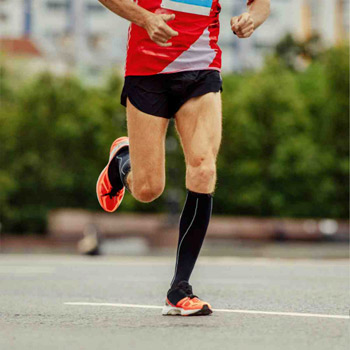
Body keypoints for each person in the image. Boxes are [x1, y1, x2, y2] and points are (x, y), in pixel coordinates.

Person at [96, 0, 270, 316]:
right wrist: (145, 18)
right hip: (148, 69)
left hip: (201, 69)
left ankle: (180, 289)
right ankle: (123, 160)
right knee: (148, 189)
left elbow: (260, 4)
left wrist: (251, 19)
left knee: (204, 169)